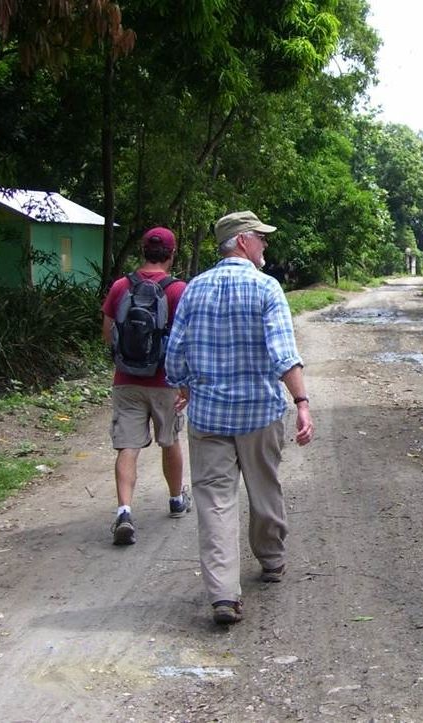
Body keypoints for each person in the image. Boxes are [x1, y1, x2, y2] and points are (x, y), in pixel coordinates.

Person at [166, 210, 313, 625]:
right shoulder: (267, 289)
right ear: (244, 241)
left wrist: (183, 385)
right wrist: (301, 401)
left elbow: (174, 353)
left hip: (209, 416)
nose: (266, 245)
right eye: (261, 238)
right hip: (259, 413)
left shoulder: (193, 289)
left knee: (213, 501)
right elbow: (283, 353)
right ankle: (271, 560)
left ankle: (223, 595)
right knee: (265, 488)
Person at [101, 227, 191, 545]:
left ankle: (124, 510)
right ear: (172, 253)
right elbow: (184, 339)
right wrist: (185, 382)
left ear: (142, 250)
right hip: (165, 381)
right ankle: (176, 499)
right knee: (170, 440)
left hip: (126, 381)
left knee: (128, 445)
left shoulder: (121, 286)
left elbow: (108, 331)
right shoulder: (178, 290)